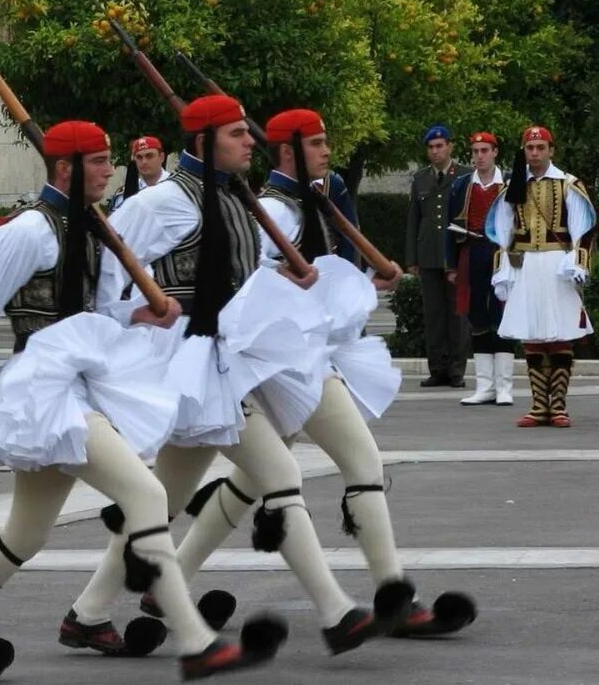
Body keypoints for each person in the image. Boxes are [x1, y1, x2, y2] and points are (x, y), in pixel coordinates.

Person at [0, 120, 286, 682]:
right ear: (65, 168)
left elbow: (97, 310)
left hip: (75, 385)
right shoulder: (28, 231)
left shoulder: (93, 226)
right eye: (100, 161)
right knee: (147, 494)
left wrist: (137, 315)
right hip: (43, 389)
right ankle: (195, 641)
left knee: (25, 533)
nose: (111, 170)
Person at [64, 97, 410, 659]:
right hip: (189, 363)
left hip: (225, 356)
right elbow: (104, 265)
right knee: (279, 475)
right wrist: (120, 327)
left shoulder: (228, 196)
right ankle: (335, 612)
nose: (250, 141)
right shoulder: (164, 201)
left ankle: (89, 611)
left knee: (162, 498)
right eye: (235, 134)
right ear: (203, 143)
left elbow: (236, 275)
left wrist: (291, 281)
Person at [162, 109, 472, 641]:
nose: (329, 151)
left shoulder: (312, 201)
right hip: (277, 365)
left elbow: (320, 280)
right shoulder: (274, 213)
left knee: (263, 479)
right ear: (289, 151)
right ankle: (388, 596)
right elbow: (247, 291)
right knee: (341, 466)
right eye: (319, 144)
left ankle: (163, 583)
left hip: (301, 360)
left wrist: (361, 286)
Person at [488, 125, 596, 428]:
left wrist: (578, 264)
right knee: (533, 335)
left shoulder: (568, 184)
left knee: (560, 335)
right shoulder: (513, 187)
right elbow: (501, 230)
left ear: (551, 150)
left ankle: (558, 406)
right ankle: (539, 406)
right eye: (530, 148)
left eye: (540, 148)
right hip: (526, 266)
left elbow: (583, 228)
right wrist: (502, 270)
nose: (534, 153)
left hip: (557, 264)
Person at [446, 132, 513, 406]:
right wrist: (451, 265)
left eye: (485, 150)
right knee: (476, 315)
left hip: (502, 253)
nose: (479, 156)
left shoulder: (509, 183)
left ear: (495, 152)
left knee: (503, 314)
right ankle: (485, 386)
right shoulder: (462, 185)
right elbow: (449, 227)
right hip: (472, 251)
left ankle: (504, 387)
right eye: (475, 151)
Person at [406, 125, 471, 388]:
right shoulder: (421, 178)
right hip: (429, 254)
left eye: (440, 146)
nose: (435, 151)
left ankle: (456, 370)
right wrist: (411, 257)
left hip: (454, 255)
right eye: (431, 147)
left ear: (450, 147)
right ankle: (437, 368)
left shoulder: (465, 175)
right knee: (433, 315)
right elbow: (414, 220)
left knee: (457, 316)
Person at [107, 135, 168, 213]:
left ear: (161, 157)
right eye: (139, 157)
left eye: (149, 156)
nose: (144, 162)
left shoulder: (177, 186)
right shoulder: (124, 194)